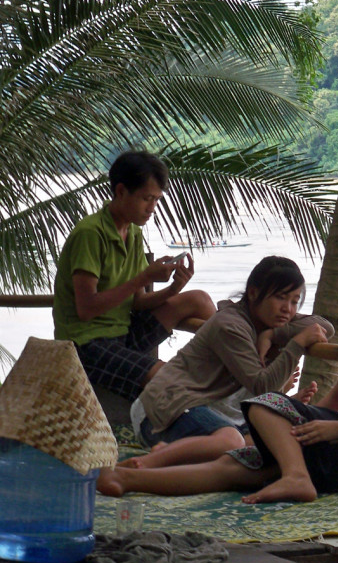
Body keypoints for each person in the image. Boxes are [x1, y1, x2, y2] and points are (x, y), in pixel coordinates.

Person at [98, 253, 338, 504]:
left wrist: (335, 429)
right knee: (252, 438)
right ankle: (128, 478)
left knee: (252, 460)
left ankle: (295, 477)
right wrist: (299, 421)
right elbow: (336, 403)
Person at [120, 256, 331, 469]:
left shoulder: (269, 321)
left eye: (295, 301)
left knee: (273, 441)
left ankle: (174, 452)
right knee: (232, 442)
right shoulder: (230, 325)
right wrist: (296, 343)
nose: (288, 309)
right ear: (254, 293)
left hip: (210, 409)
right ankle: (151, 460)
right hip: (167, 407)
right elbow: (263, 386)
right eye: (280, 298)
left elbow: (325, 327)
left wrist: (273, 334)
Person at [52, 151, 215, 400]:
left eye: (157, 200)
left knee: (199, 300)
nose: (152, 208)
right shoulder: (91, 234)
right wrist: (144, 277)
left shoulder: (133, 232)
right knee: (168, 376)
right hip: (85, 344)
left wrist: (174, 288)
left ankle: (239, 366)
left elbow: (137, 301)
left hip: (123, 333)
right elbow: (85, 309)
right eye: (146, 198)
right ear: (120, 192)